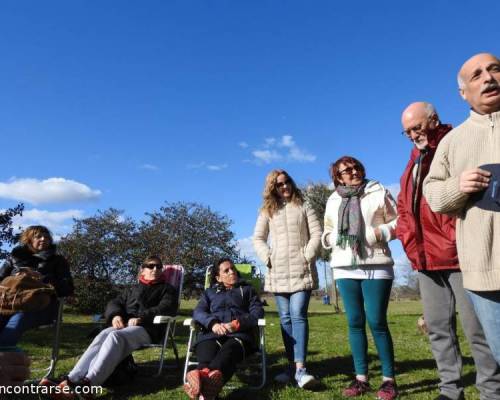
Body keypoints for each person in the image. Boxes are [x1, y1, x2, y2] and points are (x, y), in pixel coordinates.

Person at [398, 102, 500, 400]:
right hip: (425, 258)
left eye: (416, 127)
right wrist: (408, 240)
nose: (413, 135)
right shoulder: (413, 159)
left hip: (459, 254)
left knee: (476, 329)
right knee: (439, 327)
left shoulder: (455, 143)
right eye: (407, 132)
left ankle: (491, 390)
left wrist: (457, 236)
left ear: (434, 119)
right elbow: (406, 208)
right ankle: (450, 390)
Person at [424, 53, 500, 364]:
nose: (489, 78)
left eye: (494, 69)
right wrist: (459, 185)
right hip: (484, 272)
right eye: (477, 75)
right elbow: (433, 194)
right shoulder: (453, 142)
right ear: (463, 93)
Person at [322, 156, 398, 399]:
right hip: (345, 265)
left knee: (376, 321)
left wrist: (378, 233)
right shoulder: (333, 198)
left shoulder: (377, 190)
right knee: (354, 321)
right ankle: (361, 378)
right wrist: (331, 239)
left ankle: (388, 380)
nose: (353, 172)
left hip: (376, 263)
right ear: (338, 176)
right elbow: (327, 231)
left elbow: (400, 220)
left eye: (356, 168)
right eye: (346, 170)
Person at [49, 255, 177, 398]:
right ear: (143, 270)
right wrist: (115, 315)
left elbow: (166, 307)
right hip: (125, 327)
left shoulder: (167, 289)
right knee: (103, 334)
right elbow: (115, 302)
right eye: (151, 266)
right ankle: (72, 379)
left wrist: (141, 317)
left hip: (147, 328)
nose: (155, 269)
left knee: (115, 336)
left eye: (159, 266)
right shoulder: (132, 289)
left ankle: (90, 384)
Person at [253, 169, 321, 388]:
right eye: (279, 184)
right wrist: (268, 257)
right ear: (273, 188)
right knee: (285, 318)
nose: (284, 187)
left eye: (287, 182)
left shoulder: (304, 206)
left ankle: (301, 369)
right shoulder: (267, 211)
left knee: (298, 315)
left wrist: (307, 255)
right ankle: (291, 366)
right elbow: (258, 238)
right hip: (278, 271)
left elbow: (317, 234)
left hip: (301, 269)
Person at [184, 258, 264, 400]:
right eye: (226, 270)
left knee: (229, 351)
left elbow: (256, 313)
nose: (232, 271)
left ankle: (201, 377)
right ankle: (208, 392)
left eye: (233, 268)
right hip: (211, 333)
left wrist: (236, 324)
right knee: (206, 348)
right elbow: (198, 312)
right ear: (218, 277)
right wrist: (213, 324)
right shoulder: (209, 293)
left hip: (239, 335)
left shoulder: (248, 290)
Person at [0, 225, 74, 346]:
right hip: (9, 302)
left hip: (41, 306)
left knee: (19, 319)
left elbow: (67, 287)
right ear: (29, 240)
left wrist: (41, 279)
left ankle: (3, 355)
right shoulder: (15, 258)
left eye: (46, 237)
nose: (44, 239)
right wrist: (15, 278)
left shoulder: (58, 261)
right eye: (38, 236)